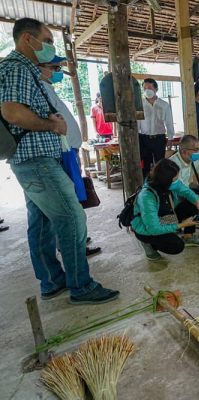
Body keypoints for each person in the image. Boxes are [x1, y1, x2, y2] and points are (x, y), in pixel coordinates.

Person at [0, 18, 118, 304]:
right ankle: (81, 285)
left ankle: (52, 281)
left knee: (41, 222)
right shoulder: (16, 67)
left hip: (34, 160)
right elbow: (12, 112)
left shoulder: (25, 70)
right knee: (72, 218)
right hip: (37, 160)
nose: (50, 47)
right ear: (28, 39)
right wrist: (52, 125)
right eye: (48, 40)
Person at [39, 56, 102, 257]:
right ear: (40, 67)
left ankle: (77, 238)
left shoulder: (48, 87)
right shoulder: (40, 89)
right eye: (54, 67)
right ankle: (74, 244)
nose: (58, 71)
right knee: (68, 205)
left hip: (69, 152)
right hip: (62, 154)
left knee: (73, 200)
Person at [131, 159, 199, 260]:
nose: (177, 181)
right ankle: (148, 243)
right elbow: (153, 229)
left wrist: (198, 204)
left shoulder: (164, 182)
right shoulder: (147, 197)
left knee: (192, 203)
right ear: (166, 180)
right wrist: (182, 225)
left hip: (161, 218)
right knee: (176, 246)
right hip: (146, 228)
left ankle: (188, 237)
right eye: (175, 179)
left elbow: (185, 190)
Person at [138, 78, 175, 177]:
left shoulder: (164, 105)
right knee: (145, 165)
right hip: (144, 139)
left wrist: (170, 138)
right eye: (145, 88)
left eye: (150, 87)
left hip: (159, 138)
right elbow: (136, 123)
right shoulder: (139, 105)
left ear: (156, 89)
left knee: (160, 165)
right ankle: (146, 186)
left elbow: (169, 122)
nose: (147, 90)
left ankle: (160, 186)